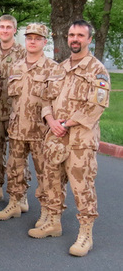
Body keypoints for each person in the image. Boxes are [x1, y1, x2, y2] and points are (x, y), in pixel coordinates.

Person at [28, 20, 110, 257]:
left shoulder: (97, 70)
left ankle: (86, 234)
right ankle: (53, 222)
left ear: (89, 39)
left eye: (80, 35)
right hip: (55, 137)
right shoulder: (59, 68)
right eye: (72, 35)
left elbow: (97, 105)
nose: (75, 39)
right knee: (52, 182)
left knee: (82, 187)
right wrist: (51, 120)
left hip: (79, 141)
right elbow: (46, 100)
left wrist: (66, 123)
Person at [0, 23, 57, 221]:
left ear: (44, 42)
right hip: (17, 129)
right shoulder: (17, 66)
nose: (32, 41)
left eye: (37, 38)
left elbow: (56, 101)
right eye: (29, 38)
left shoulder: (53, 69)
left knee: (45, 173)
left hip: (41, 131)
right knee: (14, 168)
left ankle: (47, 211)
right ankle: (14, 203)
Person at [0, 15, 29, 208]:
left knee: (19, 156)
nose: (5, 30)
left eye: (9, 27)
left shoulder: (24, 53)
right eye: (2, 27)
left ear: (14, 30)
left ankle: (21, 194)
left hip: (17, 112)